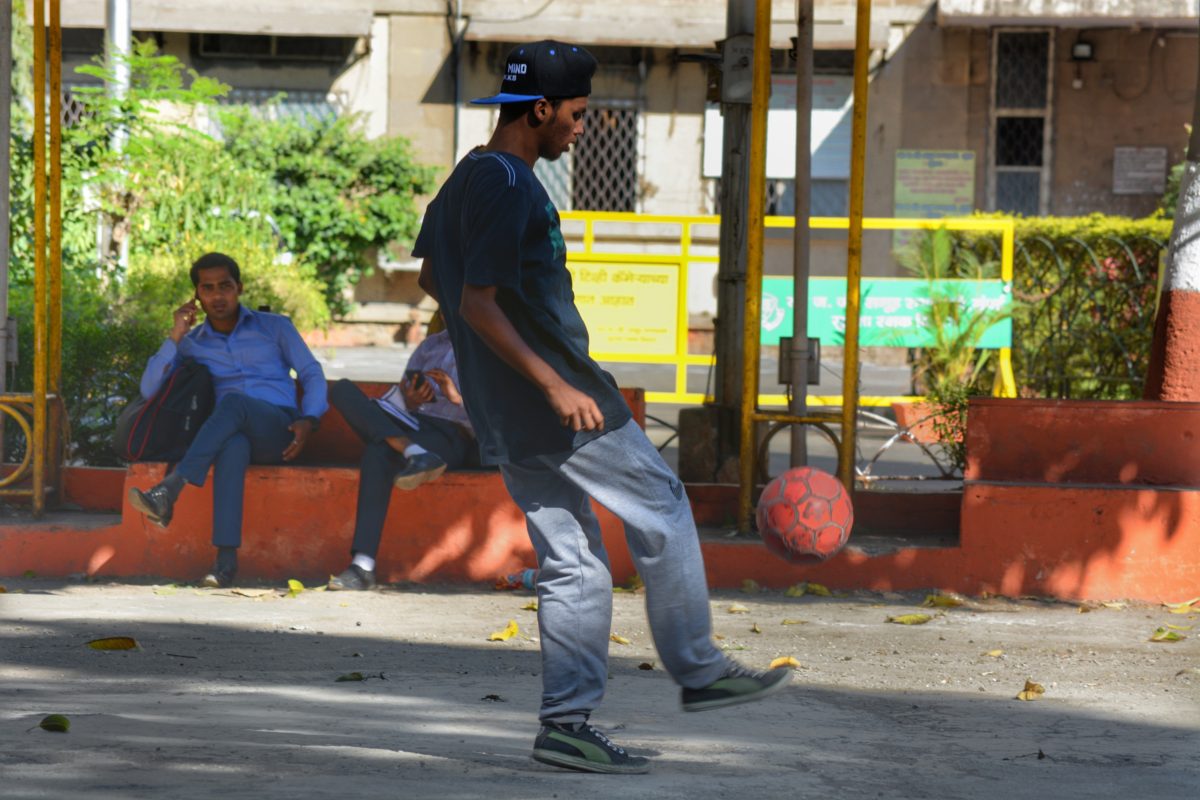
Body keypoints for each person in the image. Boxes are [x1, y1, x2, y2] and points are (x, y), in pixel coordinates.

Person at [412, 40, 790, 775]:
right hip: (560, 402)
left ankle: (566, 726)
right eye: (577, 115)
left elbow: (433, 274)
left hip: (504, 412)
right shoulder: (511, 184)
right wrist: (552, 382)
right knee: (664, 506)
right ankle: (701, 670)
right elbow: (475, 301)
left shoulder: (468, 175)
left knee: (575, 562)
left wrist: (493, 363)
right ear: (541, 110)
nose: (582, 129)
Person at [128, 252, 328, 588]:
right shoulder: (192, 344)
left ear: (240, 288)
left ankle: (170, 490)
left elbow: (310, 372)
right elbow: (149, 389)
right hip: (234, 431)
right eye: (208, 288)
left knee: (235, 403)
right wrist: (176, 333)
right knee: (232, 446)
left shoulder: (275, 327)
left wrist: (309, 418)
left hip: (280, 428)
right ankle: (225, 562)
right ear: (197, 295)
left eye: (225, 286)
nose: (217, 296)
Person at [326, 314, 478, 591]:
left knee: (377, 452)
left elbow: (497, 417)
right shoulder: (430, 345)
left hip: (453, 433)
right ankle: (413, 451)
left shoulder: (489, 346)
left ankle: (362, 567)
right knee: (342, 390)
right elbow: (401, 396)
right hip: (413, 423)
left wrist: (457, 398)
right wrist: (409, 400)